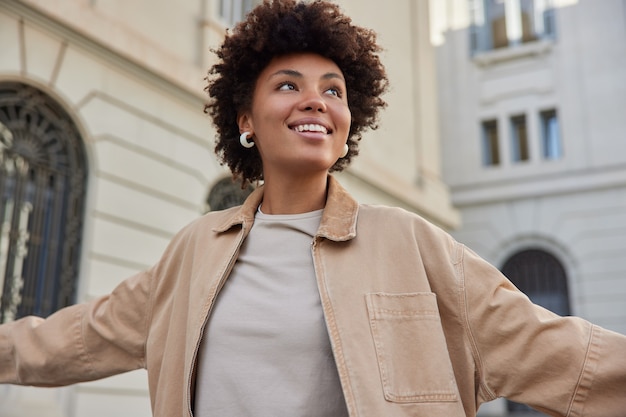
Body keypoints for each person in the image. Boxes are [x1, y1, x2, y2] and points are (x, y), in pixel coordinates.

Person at [1, 0, 625, 416]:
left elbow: (555, 351)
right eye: (287, 85)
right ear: (245, 119)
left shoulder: (407, 241)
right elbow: (75, 340)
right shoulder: (196, 250)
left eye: (333, 90)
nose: (315, 101)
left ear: (350, 121)